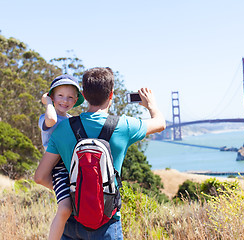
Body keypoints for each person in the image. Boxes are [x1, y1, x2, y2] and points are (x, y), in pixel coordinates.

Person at [34, 67, 166, 239]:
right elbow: (160, 123)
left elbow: (40, 177)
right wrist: (151, 105)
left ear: (84, 95)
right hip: (107, 222)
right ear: (111, 95)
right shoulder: (124, 126)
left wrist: (72, 190)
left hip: (72, 220)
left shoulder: (62, 129)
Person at [37, 74, 85, 240]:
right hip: (58, 167)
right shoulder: (46, 118)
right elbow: (52, 119)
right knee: (65, 208)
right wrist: (48, 102)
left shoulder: (72, 120)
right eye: (60, 96)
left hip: (72, 165)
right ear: (52, 97)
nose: (65, 101)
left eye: (70, 97)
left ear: (76, 100)